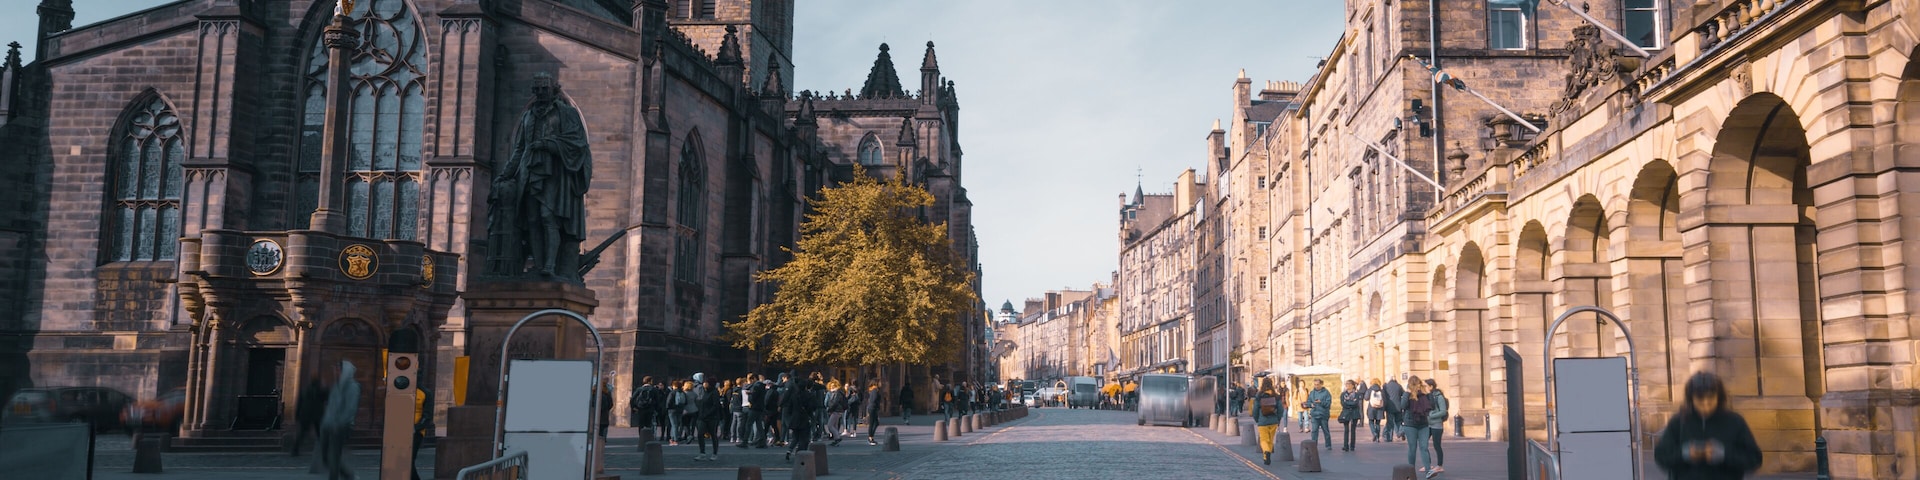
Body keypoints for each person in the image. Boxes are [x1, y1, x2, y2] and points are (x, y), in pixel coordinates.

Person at [1654, 372, 1762, 479]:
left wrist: (1724, 454)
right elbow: (1661, 456)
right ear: (1691, 399)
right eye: (1700, 400)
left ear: (1718, 397)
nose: (1705, 405)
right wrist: (1684, 454)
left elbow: (1754, 459)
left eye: (1710, 400)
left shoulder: (1735, 421)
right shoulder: (1678, 422)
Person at [318, 361, 361, 480]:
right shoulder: (336, 386)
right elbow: (331, 406)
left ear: (344, 371)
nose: (335, 372)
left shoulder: (352, 386)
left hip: (342, 426)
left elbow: (350, 408)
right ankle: (347, 475)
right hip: (328, 425)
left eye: (337, 369)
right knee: (325, 455)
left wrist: (340, 423)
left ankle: (334, 477)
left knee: (334, 455)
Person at [782, 374, 822, 462]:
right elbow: (814, 406)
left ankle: (789, 451)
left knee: (795, 437)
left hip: (795, 418)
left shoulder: (794, 395)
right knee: (804, 438)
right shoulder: (809, 395)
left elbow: (789, 408)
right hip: (805, 418)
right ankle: (800, 454)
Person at [1403, 376, 1435, 476]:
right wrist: (1407, 392)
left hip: (1423, 424)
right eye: (1416, 384)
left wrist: (1429, 392)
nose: (1418, 386)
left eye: (1419, 384)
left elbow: (1432, 406)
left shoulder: (1423, 395)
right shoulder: (1407, 395)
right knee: (1412, 448)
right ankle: (1410, 471)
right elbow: (1403, 405)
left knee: (1424, 447)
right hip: (1410, 425)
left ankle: (1428, 470)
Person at [290, 377, 328, 457]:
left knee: (303, 433)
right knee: (320, 434)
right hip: (316, 415)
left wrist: (297, 415)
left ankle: (295, 449)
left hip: (306, 414)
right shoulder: (320, 391)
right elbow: (327, 397)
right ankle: (324, 450)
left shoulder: (305, 390)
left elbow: (299, 403)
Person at [691, 373, 724, 461]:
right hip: (702, 417)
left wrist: (707, 413)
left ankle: (714, 453)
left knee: (713, 435)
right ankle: (702, 452)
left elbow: (715, 405)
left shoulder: (714, 392)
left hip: (712, 417)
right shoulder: (704, 391)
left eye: (706, 383)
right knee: (700, 434)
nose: (704, 384)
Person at [1252, 378, 1285, 465]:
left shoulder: (1259, 396)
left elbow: (1255, 409)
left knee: (1263, 439)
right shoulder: (1276, 396)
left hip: (1262, 421)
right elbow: (1281, 409)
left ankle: (1266, 453)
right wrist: (1278, 419)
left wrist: (1256, 419)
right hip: (1273, 421)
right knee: (1270, 440)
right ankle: (1267, 454)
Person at [1425, 378, 1449, 477]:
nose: (1424, 388)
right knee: (1423, 444)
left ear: (1431, 387)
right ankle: (1428, 464)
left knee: (1436, 445)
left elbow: (1443, 411)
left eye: (1425, 386)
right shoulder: (1426, 396)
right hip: (1428, 424)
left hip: (1437, 425)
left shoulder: (1439, 397)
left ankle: (1439, 465)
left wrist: (1431, 415)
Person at [1307, 379, 1333, 450]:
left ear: (1321, 384)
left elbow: (1328, 403)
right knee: (1314, 431)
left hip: (1323, 414)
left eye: (1318, 384)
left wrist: (1320, 402)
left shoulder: (1326, 393)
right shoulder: (1312, 393)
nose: (1316, 386)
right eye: (1315, 384)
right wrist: (1310, 405)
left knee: (1325, 430)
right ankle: (1314, 445)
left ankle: (1328, 445)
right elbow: (1308, 402)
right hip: (1314, 414)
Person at [1338, 380, 1363, 452]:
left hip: (1354, 413)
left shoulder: (1357, 394)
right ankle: (1345, 446)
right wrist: (1350, 404)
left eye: (1349, 384)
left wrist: (1348, 403)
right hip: (1346, 413)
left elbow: (1356, 403)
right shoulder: (1343, 394)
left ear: (1353, 385)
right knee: (1346, 430)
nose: (1347, 385)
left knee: (1353, 430)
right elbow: (1343, 403)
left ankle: (1352, 446)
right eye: (1346, 384)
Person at [1383, 377, 1407, 441]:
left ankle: (1389, 438)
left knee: (1390, 423)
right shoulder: (1399, 386)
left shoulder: (1386, 386)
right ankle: (1401, 431)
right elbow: (1404, 394)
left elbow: (1384, 396)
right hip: (1398, 407)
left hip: (1389, 407)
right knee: (1398, 421)